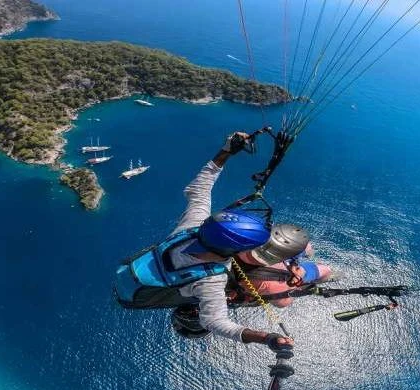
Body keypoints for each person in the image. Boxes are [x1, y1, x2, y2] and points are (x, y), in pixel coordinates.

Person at [114, 130, 293, 351]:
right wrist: (226, 151)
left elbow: (199, 189)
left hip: (165, 275)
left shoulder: (192, 228)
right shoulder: (209, 282)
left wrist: (226, 151)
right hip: (182, 285)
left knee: (282, 299)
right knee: (283, 300)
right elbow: (214, 323)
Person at [231, 224, 333, 308]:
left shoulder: (239, 237)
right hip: (263, 278)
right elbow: (284, 303)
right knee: (326, 270)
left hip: (248, 261)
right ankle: (315, 280)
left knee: (306, 246)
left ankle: (306, 253)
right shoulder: (270, 284)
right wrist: (295, 282)